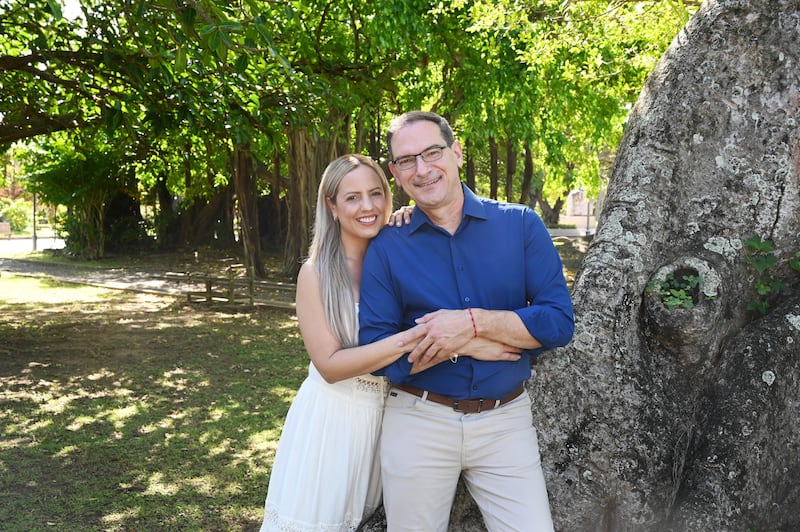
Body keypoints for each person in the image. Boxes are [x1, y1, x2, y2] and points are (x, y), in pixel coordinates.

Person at [358, 111, 575, 531]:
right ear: (395, 173)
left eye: (432, 152)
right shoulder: (387, 245)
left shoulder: (521, 225)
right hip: (418, 421)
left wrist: (473, 323)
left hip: (506, 422)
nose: (422, 169)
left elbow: (557, 322)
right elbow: (381, 351)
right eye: (407, 160)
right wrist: (463, 342)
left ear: (456, 152)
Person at [260, 153, 427, 532]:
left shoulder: (400, 256)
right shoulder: (315, 273)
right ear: (331, 206)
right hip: (332, 423)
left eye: (376, 194)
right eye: (352, 198)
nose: (368, 207)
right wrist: (410, 339)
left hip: (392, 420)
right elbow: (330, 366)